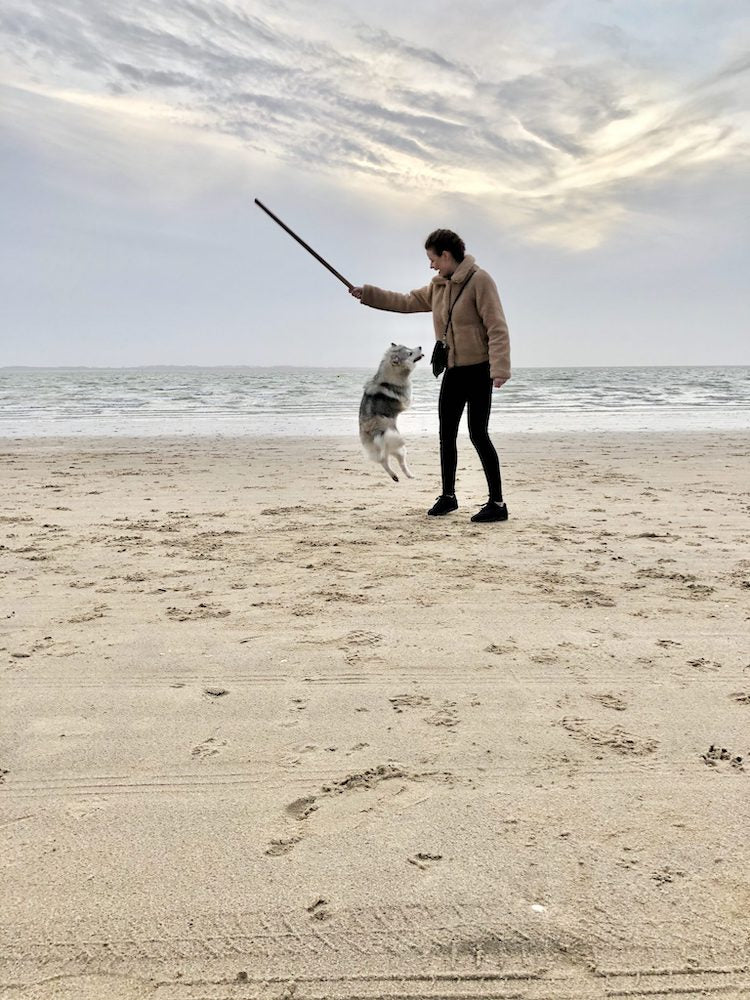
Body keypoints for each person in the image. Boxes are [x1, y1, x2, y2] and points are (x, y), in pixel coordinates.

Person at [350, 229, 510, 522]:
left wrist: (499, 369)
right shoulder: (438, 287)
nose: (431, 266)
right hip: (452, 370)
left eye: (433, 259)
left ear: (446, 256)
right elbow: (405, 301)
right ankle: (448, 497)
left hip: (479, 371)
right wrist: (367, 295)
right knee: (446, 434)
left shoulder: (480, 281)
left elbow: (497, 327)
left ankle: (497, 504)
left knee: (478, 434)